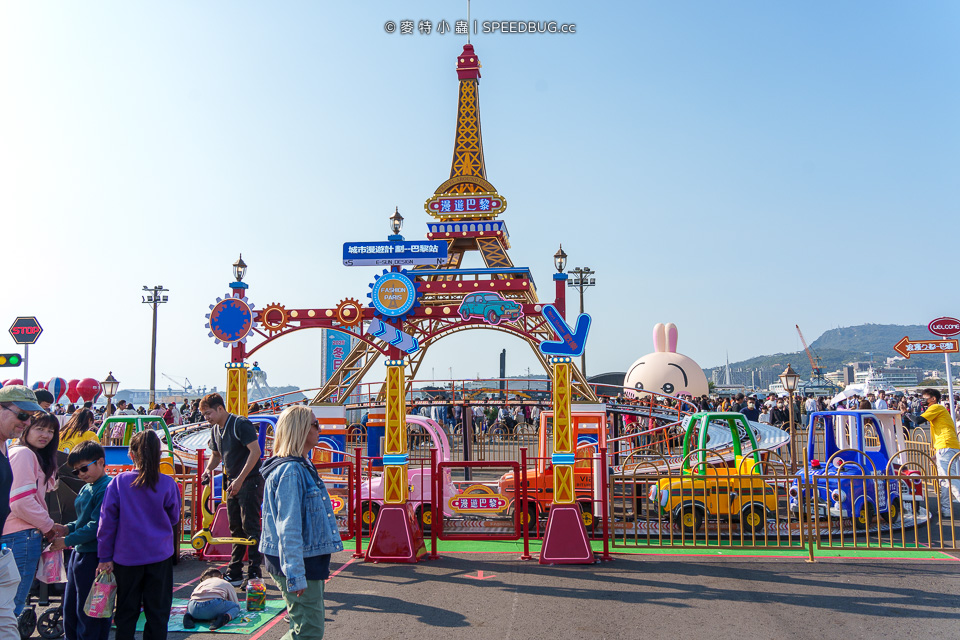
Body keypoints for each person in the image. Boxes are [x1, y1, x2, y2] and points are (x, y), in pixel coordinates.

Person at [260, 406, 343, 639]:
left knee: (304, 626)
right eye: (315, 424)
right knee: (309, 630)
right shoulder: (291, 470)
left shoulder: (298, 465)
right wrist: (295, 574)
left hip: (302, 558)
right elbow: (289, 527)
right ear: (300, 429)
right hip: (299, 560)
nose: (320, 429)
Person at [97, 430, 180, 640]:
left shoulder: (118, 482)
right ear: (159, 455)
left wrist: (105, 557)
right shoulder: (168, 483)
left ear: (131, 454)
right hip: (159, 555)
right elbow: (174, 518)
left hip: (126, 557)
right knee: (158, 613)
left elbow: (106, 524)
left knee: (126, 612)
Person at [1, 411, 66, 615]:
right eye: (40, 428)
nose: (45, 435)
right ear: (26, 428)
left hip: (15, 533)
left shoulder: (18, 452)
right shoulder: (24, 454)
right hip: (21, 535)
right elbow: (20, 501)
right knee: (13, 603)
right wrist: (48, 526)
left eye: (51, 431)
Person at [50, 440, 112, 640]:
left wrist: (67, 539)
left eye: (84, 468)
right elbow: (84, 520)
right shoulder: (88, 487)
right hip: (80, 553)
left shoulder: (106, 487)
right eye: (76, 471)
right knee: (72, 607)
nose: (81, 474)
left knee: (91, 610)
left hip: (95, 556)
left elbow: (96, 526)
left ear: (101, 462)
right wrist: (67, 528)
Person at [200, 393, 263, 585]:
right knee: (235, 527)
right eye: (204, 415)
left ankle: (254, 571)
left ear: (220, 408)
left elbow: (256, 452)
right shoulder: (215, 430)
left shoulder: (240, 424)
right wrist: (207, 470)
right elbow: (217, 455)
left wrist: (241, 479)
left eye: (208, 413)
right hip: (233, 482)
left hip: (250, 481)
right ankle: (235, 570)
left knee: (250, 527)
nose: (207, 418)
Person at [0, 386, 41, 636]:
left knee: (8, 620)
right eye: (22, 415)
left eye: (30, 418)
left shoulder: (6, 447)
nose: (26, 423)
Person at [919, 389, 960, 517]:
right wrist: (937, 453)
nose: (922, 400)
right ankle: (946, 509)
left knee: (949, 478)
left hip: (946, 445)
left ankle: (947, 507)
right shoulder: (937, 409)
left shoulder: (935, 407)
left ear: (933, 398)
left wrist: (903, 412)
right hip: (945, 446)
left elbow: (917, 420)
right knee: (944, 480)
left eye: (925, 397)